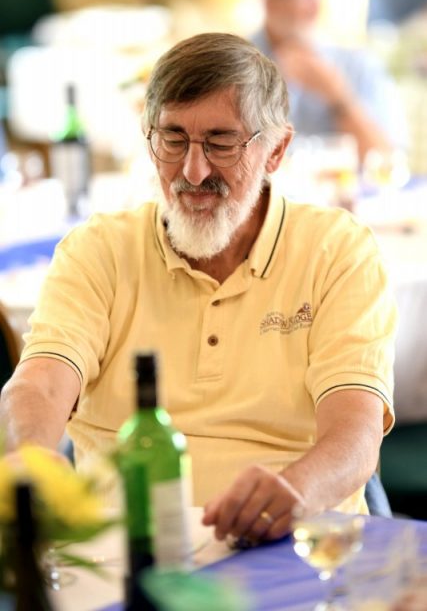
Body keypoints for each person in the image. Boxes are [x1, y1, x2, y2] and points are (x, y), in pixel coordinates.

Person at [0, 32, 397, 543]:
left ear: (276, 150)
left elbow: (356, 434)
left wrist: (296, 490)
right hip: (127, 551)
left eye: (220, 142)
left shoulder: (337, 251)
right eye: (173, 138)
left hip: (293, 544)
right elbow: (39, 383)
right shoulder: (98, 250)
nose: (192, 170)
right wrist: (32, 458)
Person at [252, 0, 408, 160]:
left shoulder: (358, 66)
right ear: (270, 1)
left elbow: (388, 160)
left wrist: (339, 97)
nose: (315, 6)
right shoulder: (234, 66)